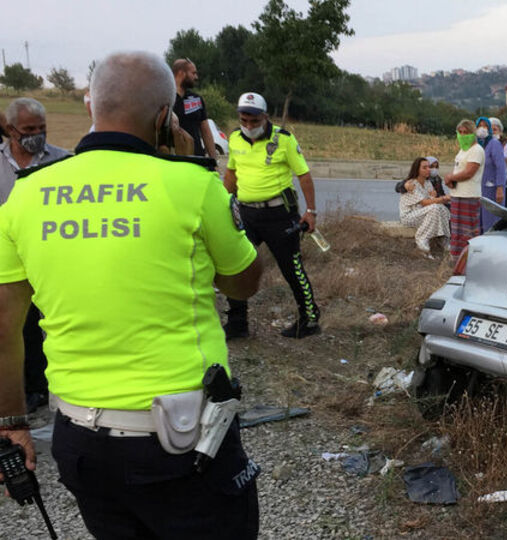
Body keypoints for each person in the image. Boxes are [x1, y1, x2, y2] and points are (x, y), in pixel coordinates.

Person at [0, 51, 263, 538]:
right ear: (165, 118)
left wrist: (12, 424)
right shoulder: (192, 182)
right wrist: (190, 166)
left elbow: (4, 328)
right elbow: (243, 282)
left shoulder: (26, 194)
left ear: (92, 107)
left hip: (79, 440)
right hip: (183, 439)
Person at [223, 92, 321, 339]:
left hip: (279, 215)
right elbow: (231, 174)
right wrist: (224, 202)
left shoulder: (283, 140)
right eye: (244, 120)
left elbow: (304, 175)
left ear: (265, 117)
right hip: (246, 213)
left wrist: (310, 212)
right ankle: (237, 322)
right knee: (236, 264)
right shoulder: (234, 138)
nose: (249, 126)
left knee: (291, 268)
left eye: (254, 121)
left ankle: (309, 320)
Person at [0, 98, 71, 414]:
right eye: (29, 129)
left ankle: (61, 379)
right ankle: (32, 388)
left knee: (57, 319)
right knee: (21, 326)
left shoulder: (63, 161)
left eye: (42, 128)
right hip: (11, 258)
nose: (36, 135)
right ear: (11, 129)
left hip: (52, 254)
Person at [444, 119, 484, 259]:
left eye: (466, 132)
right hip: (458, 193)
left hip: (469, 196)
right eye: (460, 132)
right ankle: (457, 258)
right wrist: (451, 180)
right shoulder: (463, 150)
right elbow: (459, 170)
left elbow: (468, 173)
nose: (462, 135)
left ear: (473, 133)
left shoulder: (476, 150)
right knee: (457, 230)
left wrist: (451, 177)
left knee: (468, 231)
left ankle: (469, 259)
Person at [398, 157, 451, 258]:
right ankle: (422, 239)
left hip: (422, 213)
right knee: (435, 208)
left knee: (442, 208)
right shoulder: (411, 184)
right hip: (409, 216)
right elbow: (424, 203)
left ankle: (443, 238)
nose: (429, 170)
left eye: (429, 167)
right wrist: (443, 198)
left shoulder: (428, 183)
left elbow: (431, 199)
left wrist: (435, 197)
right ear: (417, 169)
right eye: (425, 167)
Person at [171, 58, 217, 159]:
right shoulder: (166, 99)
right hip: (174, 160)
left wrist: (213, 160)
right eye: (193, 73)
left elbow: (206, 131)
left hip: (197, 158)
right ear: (181, 73)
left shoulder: (196, 99)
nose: (196, 77)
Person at [475, 117, 506, 231]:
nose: (482, 128)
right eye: (480, 126)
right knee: (479, 220)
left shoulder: (494, 143)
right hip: (479, 188)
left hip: (492, 189)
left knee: (491, 219)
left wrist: (500, 188)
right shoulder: (476, 145)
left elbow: (500, 167)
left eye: (485, 126)